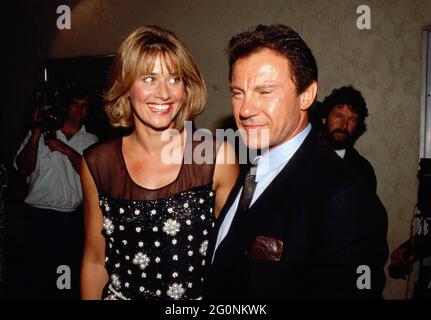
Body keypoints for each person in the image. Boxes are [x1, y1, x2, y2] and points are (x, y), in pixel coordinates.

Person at [206, 24, 388, 299]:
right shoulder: (248, 168)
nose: (245, 109)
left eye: (264, 91)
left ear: (306, 95)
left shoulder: (344, 194)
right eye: (237, 93)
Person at [80, 25, 238, 300]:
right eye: (149, 78)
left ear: (186, 87)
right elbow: (95, 260)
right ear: (126, 86)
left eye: (174, 79)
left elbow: (233, 259)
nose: (164, 93)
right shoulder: (97, 163)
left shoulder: (216, 157)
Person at [14, 83, 99, 299]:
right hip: (38, 217)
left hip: (70, 220)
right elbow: (24, 168)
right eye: (75, 104)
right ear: (66, 107)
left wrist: (68, 151)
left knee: (65, 279)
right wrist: (35, 133)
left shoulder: (91, 141)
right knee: (35, 277)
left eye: (85, 106)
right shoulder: (42, 135)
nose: (79, 110)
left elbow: (94, 177)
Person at [320, 86, 377, 192]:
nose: (344, 125)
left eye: (351, 119)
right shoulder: (303, 157)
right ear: (324, 118)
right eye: (338, 116)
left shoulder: (363, 170)